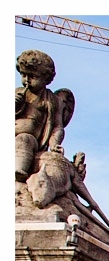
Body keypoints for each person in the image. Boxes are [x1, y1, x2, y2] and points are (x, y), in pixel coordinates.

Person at [15, 50, 65, 182]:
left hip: (30, 140)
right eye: (23, 75)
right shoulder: (17, 93)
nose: (26, 80)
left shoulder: (53, 100)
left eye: (32, 76)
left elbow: (57, 126)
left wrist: (54, 143)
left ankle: (18, 171)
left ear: (46, 78)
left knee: (24, 139)